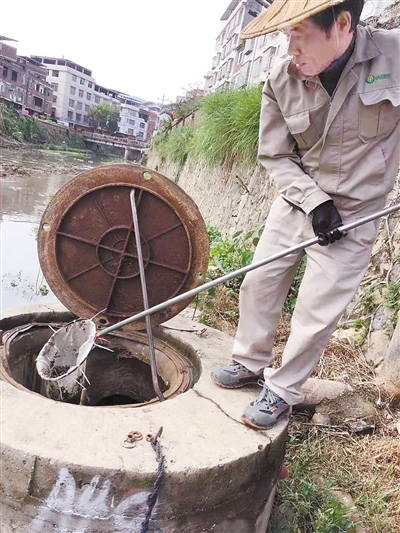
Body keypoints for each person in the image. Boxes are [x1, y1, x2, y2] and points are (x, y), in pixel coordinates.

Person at [211, 0, 400, 429]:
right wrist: (315, 202)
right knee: (259, 283)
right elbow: (275, 155)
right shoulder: (281, 78)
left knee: (315, 312)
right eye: (286, 38)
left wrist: (336, 208)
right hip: (298, 201)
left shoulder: (394, 56)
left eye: (300, 38)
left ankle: (282, 390)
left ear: (342, 24)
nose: (290, 50)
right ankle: (249, 361)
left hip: (354, 214)